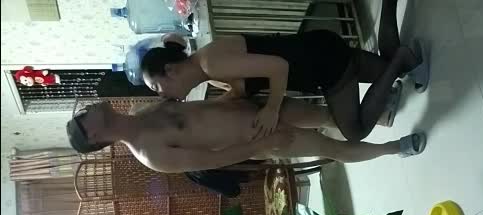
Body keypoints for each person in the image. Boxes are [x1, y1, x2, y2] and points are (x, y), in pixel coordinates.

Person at [140, 0, 428, 142]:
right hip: (317, 48)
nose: (161, 94)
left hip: (321, 64)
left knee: (354, 131)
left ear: (170, 70)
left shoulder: (212, 64)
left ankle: (401, 59)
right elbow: (240, 92)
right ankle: (396, 42)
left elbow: (278, 67)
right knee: (389, 66)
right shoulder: (209, 67)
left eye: (156, 86)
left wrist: (272, 108)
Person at [65, 98, 426, 173]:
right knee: (332, 147)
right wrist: (261, 145)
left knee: (325, 113)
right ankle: (394, 148)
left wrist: (232, 96)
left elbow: (199, 110)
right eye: (85, 115)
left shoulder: (142, 111)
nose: (90, 107)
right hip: (257, 137)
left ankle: (382, 113)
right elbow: (212, 159)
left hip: (254, 108)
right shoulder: (151, 154)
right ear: (93, 134)